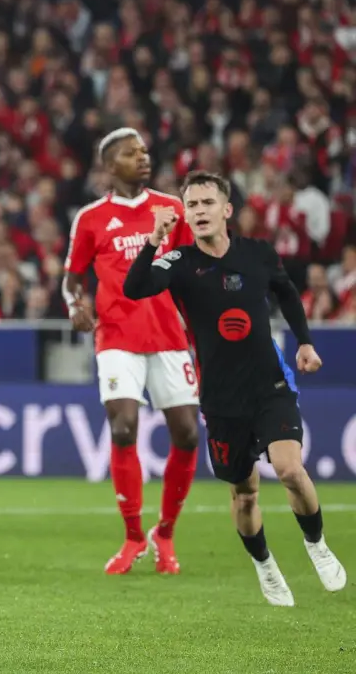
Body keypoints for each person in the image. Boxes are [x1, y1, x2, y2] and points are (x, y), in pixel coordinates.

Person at [123, 170, 346, 606]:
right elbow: (135, 288)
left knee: (290, 471)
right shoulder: (180, 262)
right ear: (184, 214)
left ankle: (316, 544)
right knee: (244, 496)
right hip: (222, 399)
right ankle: (265, 565)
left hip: (269, 384)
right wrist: (154, 240)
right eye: (192, 205)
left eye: (208, 203)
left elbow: (286, 293)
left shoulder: (259, 254)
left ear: (227, 210)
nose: (199, 211)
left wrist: (304, 341)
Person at [62, 128, 201, 575]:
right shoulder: (90, 218)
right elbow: (72, 277)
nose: (142, 158)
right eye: (130, 153)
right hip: (117, 335)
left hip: (168, 335)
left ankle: (166, 533)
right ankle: (133, 536)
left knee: (187, 434)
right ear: (109, 165)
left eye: (144, 151)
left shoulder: (172, 209)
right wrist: (75, 305)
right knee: (123, 429)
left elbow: (191, 271)